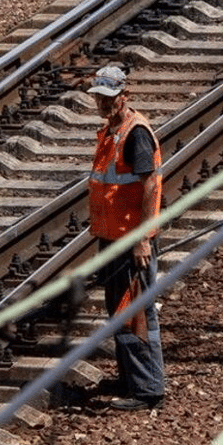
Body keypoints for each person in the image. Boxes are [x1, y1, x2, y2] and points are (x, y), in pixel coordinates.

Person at [86, 65, 166, 411]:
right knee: (119, 311)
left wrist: (143, 238)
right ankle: (130, 378)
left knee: (135, 313)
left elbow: (148, 184)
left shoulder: (135, 133)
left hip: (131, 240)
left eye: (108, 98)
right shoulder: (110, 131)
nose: (102, 104)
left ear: (124, 96)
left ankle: (147, 389)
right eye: (98, 98)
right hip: (112, 237)